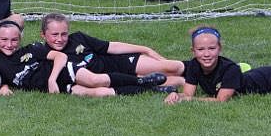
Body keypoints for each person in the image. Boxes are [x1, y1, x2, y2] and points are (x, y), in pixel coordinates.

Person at [0, 20, 167, 97]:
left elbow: (60, 56)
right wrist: (3, 87)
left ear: (20, 39)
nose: (9, 44)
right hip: (60, 87)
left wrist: (52, 79)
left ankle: (141, 80)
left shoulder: (32, 49)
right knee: (101, 93)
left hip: (65, 71)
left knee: (95, 80)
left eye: (13, 40)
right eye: (4, 40)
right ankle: (152, 88)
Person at [39, 13, 184, 89]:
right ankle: (197, 81)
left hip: (118, 63)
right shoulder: (44, 55)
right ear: (43, 35)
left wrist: (145, 49)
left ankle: (200, 68)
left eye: (63, 34)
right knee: (180, 81)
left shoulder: (78, 38)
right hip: (113, 80)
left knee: (175, 67)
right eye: (54, 35)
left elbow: (111, 47)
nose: (60, 39)